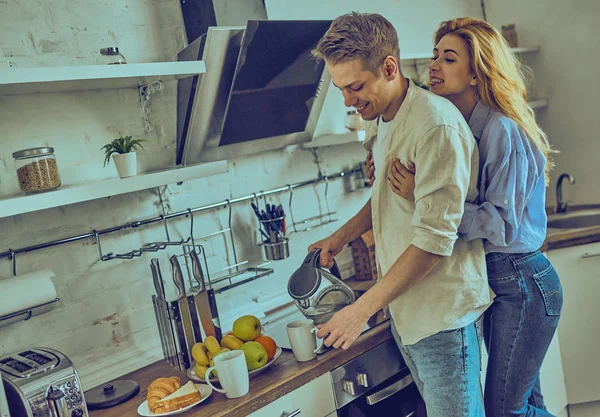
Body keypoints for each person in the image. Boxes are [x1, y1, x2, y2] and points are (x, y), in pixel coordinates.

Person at [373, 17, 563, 417]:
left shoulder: (501, 129)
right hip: (498, 282)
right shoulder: (459, 126)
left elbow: (498, 224)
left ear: (476, 73)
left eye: (449, 58)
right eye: (435, 55)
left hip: (523, 282)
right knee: (526, 405)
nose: (434, 65)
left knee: (507, 411)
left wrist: (424, 198)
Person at [308, 12, 493, 417]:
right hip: (408, 315)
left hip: (443, 318)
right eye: (341, 89)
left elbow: (433, 242)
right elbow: (386, 199)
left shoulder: (435, 127)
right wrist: (341, 237)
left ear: (389, 68)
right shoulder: (384, 121)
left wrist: (359, 310)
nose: (349, 100)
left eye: (355, 86)